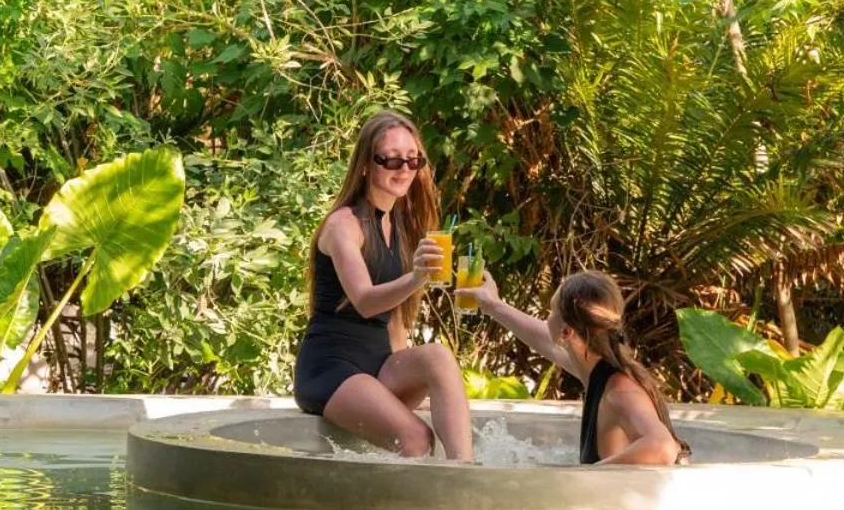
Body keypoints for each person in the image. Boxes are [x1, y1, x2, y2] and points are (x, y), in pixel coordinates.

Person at [293, 111, 473, 460]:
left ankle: (465, 471)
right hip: (332, 368)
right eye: (390, 159)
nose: (403, 168)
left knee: (436, 355)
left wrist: (405, 383)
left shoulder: (399, 225)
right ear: (365, 165)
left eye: (412, 159)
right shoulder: (343, 225)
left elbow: (395, 319)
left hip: (377, 368)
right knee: (417, 438)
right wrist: (417, 277)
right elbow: (364, 301)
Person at [463, 269, 688, 466]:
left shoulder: (619, 392)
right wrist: (492, 305)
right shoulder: (599, 370)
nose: (546, 318)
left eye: (551, 312)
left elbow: (663, 447)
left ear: (567, 332)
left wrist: (586, 475)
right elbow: (544, 340)